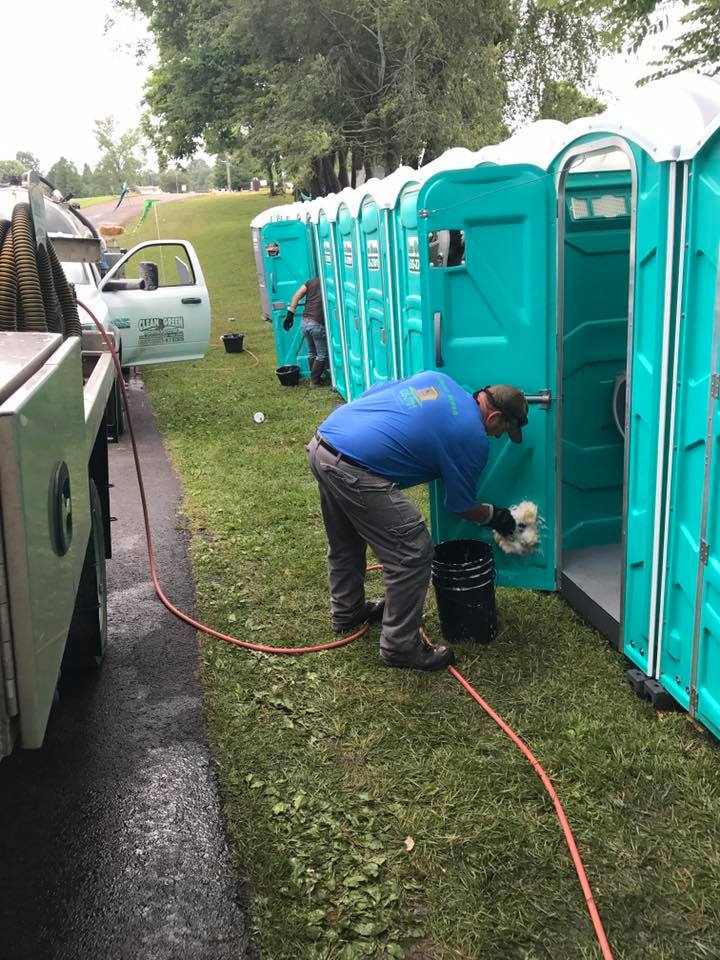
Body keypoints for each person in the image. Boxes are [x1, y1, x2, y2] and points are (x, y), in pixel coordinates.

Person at [306, 372, 528, 672]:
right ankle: (399, 647)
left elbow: (376, 391)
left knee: (346, 540)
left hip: (326, 441)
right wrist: (496, 517)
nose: (498, 436)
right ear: (495, 417)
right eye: (503, 430)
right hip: (353, 467)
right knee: (413, 551)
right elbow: (460, 506)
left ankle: (348, 612)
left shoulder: (439, 380)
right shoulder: (472, 435)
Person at [284, 278, 328, 387]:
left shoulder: (311, 281)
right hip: (317, 323)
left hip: (304, 322)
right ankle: (314, 381)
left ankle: (315, 379)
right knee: (321, 355)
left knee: (312, 352)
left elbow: (297, 295)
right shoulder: (329, 282)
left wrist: (290, 314)